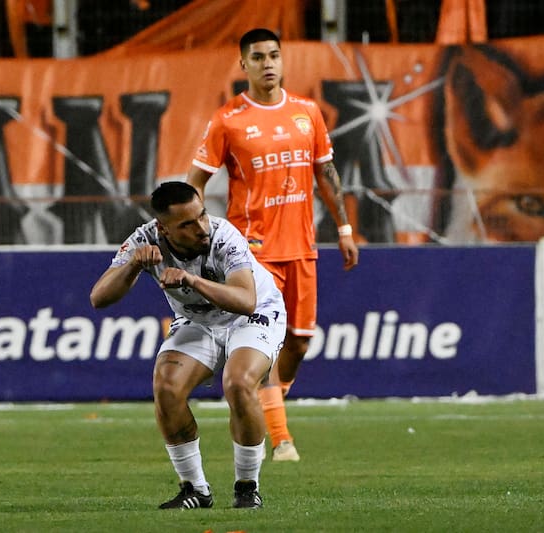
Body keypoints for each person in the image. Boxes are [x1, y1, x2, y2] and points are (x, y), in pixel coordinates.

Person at [187, 28, 359, 462]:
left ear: (283, 61)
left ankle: (260, 403)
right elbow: (196, 182)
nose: (268, 64)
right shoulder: (228, 119)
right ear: (243, 64)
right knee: (265, 341)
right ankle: (280, 439)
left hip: (302, 247)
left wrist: (344, 230)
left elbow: (327, 174)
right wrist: (199, 233)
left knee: (299, 341)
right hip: (254, 252)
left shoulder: (308, 112)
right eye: (258, 57)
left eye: (274, 55)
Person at [90, 181, 286, 510]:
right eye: (187, 224)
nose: (201, 228)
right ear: (163, 229)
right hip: (198, 320)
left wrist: (192, 279)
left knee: (238, 383)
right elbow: (98, 298)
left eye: (202, 215)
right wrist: (134, 266)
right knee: (166, 387)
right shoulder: (144, 239)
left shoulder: (224, 236)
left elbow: (246, 301)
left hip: (253, 316)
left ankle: (247, 486)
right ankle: (195, 489)